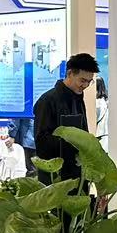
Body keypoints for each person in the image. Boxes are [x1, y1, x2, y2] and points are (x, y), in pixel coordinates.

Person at [33, 53, 98, 182]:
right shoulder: (48, 100)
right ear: (70, 73)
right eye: (82, 80)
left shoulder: (78, 98)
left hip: (77, 172)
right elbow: (41, 141)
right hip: (55, 177)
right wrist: (74, 142)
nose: (85, 85)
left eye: (89, 82)